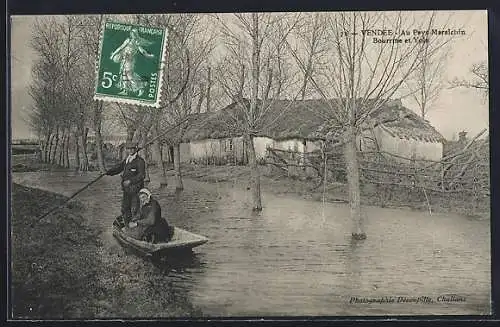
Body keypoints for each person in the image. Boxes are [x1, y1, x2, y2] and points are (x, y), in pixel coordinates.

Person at [106, 142, 146, 225]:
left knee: (135, 209)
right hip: (127, 190)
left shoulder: (140, 161)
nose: (130, 150)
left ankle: (135, 227)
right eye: (128, 149)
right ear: (127, 150)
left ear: (135, 149)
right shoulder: (127, 160)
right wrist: (108, 172)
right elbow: (118, 168)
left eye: (132, 149)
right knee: (125, 208)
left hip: (136, 190)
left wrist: (130, 181)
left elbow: (142, 175)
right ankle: (127, 225)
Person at [110, 28, 155, 96]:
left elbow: (142, 51)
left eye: (134, 34)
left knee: (129, 75)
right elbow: (121, 47)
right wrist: (113, 54)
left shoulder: (137, 42)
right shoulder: (128, 40)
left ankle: (141, 87)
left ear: (136, 35)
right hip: (124, 59)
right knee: (123, 74)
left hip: (130, 60)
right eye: (132, 33)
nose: (132, 35)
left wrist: (148, 55)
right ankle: (125, 90)